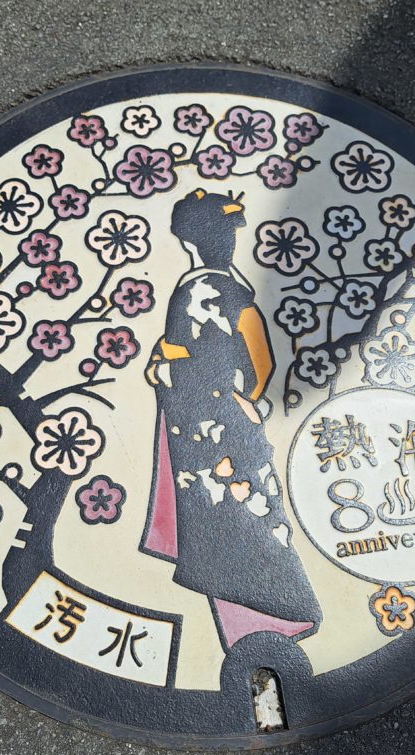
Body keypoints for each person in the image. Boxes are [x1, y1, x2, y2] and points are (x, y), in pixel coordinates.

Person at [141, 188, 322, 651]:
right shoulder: (223, 285)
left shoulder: (204, 288)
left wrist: (164, 368)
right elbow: (258, 358)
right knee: (237, 514)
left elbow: (220, 357)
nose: (227, 240)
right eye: (224, 232)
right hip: (219, 420)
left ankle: (266, 625)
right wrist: (248, 398)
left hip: (208, 426)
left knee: (224, 515)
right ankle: (260, 629)